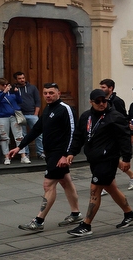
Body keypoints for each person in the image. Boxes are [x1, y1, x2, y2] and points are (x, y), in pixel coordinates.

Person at [64, 89, 133, 236]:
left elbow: (124, 138)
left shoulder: (115, 116)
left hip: (108, 159)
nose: (101, 104)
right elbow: (78, 136)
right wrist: (71, 152)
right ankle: (130, 214)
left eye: (104, 101)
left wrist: (126, 158)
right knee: (111, 188)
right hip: (94, 159)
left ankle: (86, 224)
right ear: (91, 102)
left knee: (95, 189)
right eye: (97, 101)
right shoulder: (86, 116)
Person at [13, 83, 83, 230]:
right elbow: (36, 130)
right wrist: (19, 147)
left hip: (59, 154)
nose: (48, 96)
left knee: (48, 185)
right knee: (65, 182)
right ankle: (76, 214)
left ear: (58, 92)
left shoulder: (65, 109)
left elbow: (73, 133)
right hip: (50, 153)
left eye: (51, 93)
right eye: (45, 93)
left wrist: (66, 155)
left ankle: (38, 221)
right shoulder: (48, 109)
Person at [13, 71, 42, 161]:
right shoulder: (14, 89)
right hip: (20, 115)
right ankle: (26, 154)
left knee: (39, 134)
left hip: (32, 114)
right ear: (16, 79)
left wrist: (36, 113)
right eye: (19, 78)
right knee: (23, 135)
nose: (22, 80)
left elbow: (38, 101)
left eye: (23, 78)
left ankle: (40, 153)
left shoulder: (32, 88)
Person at [0, 78, 24, 164]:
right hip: (2, 117)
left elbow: (20, 101)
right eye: (3, 85)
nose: (5, 86)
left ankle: (23, 156)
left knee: (19, 136)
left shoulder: (11, 93)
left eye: (6, 84)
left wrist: (16, 92)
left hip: (14, 117)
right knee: (4, 137)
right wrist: (4, 93)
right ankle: (6, 157)